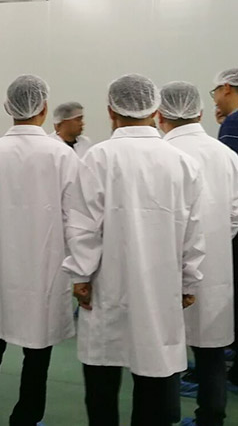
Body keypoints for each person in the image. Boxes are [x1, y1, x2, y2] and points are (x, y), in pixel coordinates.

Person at [63, 74, 206, 426]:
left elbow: (82, 226)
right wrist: (189, 281)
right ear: (156, 110)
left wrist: (81, 276)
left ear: (111, 111)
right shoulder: (182, 163)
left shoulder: (98, 158)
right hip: (162, 288)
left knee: (103, 375)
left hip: (106, 286)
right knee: (154, 373)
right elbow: (193, 232)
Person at [0, 75, 80, 426]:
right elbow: (76, 217)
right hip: (45, 268)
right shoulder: (62, 156)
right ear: (44, 108)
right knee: (37, 350)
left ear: (8, 107)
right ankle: (26, 418)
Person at [158, 81, 238, 426]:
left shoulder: (159, 154)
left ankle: (165, 416)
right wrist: (212, 241)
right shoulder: (227, 156)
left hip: (166, 268)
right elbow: (234, 216)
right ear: (201, 113)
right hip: (215, 268)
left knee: (165, 351)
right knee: (211, 351)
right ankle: (211, 417)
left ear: (159, 115)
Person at [211, 68, 238, 390]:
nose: (216, 98)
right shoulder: (230, 124)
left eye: (215, 91)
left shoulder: (233, 125)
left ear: (227, 88)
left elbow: (229, 180)